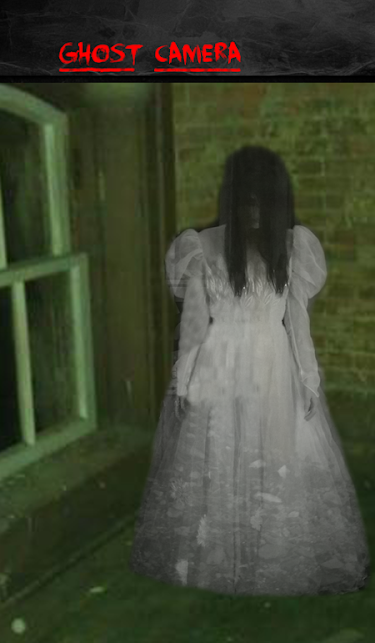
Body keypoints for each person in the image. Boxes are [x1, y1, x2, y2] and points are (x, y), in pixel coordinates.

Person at [129, 145, 370, 596]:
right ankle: (219, 556)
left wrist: (309, 377)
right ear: (233, 200)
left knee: (274, 452)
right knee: (222, 455)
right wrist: (183, 378)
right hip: (220, 364)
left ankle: (269, 553)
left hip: (273, 365)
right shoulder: (204, 248)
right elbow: (195, 323)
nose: (254, 212)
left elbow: (297, 321)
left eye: (263, 203)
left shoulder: (291, 249)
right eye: (246, 201)